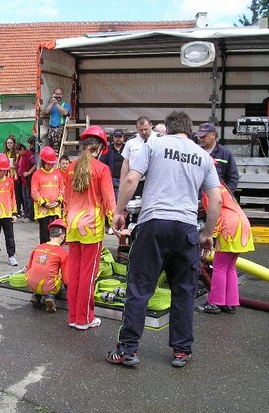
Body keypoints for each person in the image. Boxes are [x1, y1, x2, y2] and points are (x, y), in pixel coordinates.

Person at [106, 111, 222, 368]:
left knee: (139, 289)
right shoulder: (203, 155)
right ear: (190, 131)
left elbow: (132, 178)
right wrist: (207, 234)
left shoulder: (154, 144)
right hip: (186, 228)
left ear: (167, 129)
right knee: (183, 291)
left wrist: (118, 211)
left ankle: (127, 350)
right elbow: (216, 200)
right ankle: (181, 350)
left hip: (153, 225)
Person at [64, 125, 116, 331]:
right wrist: (116, 224)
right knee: (88, 275)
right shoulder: (102, 169)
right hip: (92, 228)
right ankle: (84, 318)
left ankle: (74, 317)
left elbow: (66, 200)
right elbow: (109, 200)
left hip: (72, 226)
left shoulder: (70, 168)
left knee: (74, 272)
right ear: (101, 148)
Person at [196, 180, 255, 314]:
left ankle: (215, 303)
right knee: (230, 267)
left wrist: (211, 234)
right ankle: (230, 303)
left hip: (229, 227)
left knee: (219, 267)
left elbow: (216, 211)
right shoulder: (223, 186)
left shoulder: (210, 189)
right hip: (242, 224)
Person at [25, 219, 69, 313]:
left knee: (40, 276)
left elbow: (28, 267)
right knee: (58, 281)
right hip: (49, 286)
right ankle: (50, 297)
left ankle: (36, 296)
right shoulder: (63, 253)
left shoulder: (38, 247)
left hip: (31, 283)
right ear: (63, 236)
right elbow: (66, 278)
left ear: (50, 235)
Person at [0, 153, 18, 267]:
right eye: (1, 170)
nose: (3, 172)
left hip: (7, 214)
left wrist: (14, 212)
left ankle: (11, 256)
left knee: (10, 236)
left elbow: (13, 197)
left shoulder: (10, 181)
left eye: (5, 170)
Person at [195, 123, 240, 194]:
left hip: (217, 198)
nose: (201, 139)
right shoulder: (196, 153)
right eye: (200, 136)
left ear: (213, 135)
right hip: (199, 198)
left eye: (204, 136)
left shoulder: (225, 154)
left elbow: (233, 177)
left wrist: (225, 195)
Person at [31, 146, 64, 244]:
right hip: (43, 210)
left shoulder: (58, 174)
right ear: (43, 162)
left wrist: (58, 202)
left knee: (57, 234)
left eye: (52, 164)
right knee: (44, 234)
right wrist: (44, 203)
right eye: (48, 163)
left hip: (55, 209)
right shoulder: (37, 174)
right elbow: (34, 192)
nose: (50, 166)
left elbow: (62, 189)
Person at [44, 87, 71, 154]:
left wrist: (56, 104)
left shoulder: (65, 104)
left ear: (62, 95)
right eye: (56, 94)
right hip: (52, 129)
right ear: (54, 94)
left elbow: (66, 113)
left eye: (60, 94)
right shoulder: (51, 104)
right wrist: (52, 102)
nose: (58, 95)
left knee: (61, 149)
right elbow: (46, 112)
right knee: (52, 149)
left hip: (61, 128)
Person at [16, 143, 36, 223]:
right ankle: (26, 214)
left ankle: (30, 215)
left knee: (29, 198)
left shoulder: (29, 155)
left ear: (22, 149)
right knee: (24, 198)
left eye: (19, 151)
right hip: (23, 180)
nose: (19, 153)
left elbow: (35, 164)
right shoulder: (21, 156)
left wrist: (29, 172)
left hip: (28, 180)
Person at [4, 135, 22, 216]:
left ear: (14, 144)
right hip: (7, 176)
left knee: (16, 194)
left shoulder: (17, 154)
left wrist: (13, 166)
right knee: (8, 194)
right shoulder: (6, 153)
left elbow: (19, 165)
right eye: (8, 143)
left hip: (15, 176)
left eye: (11, 143)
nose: (9, 144)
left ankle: (17, 210)